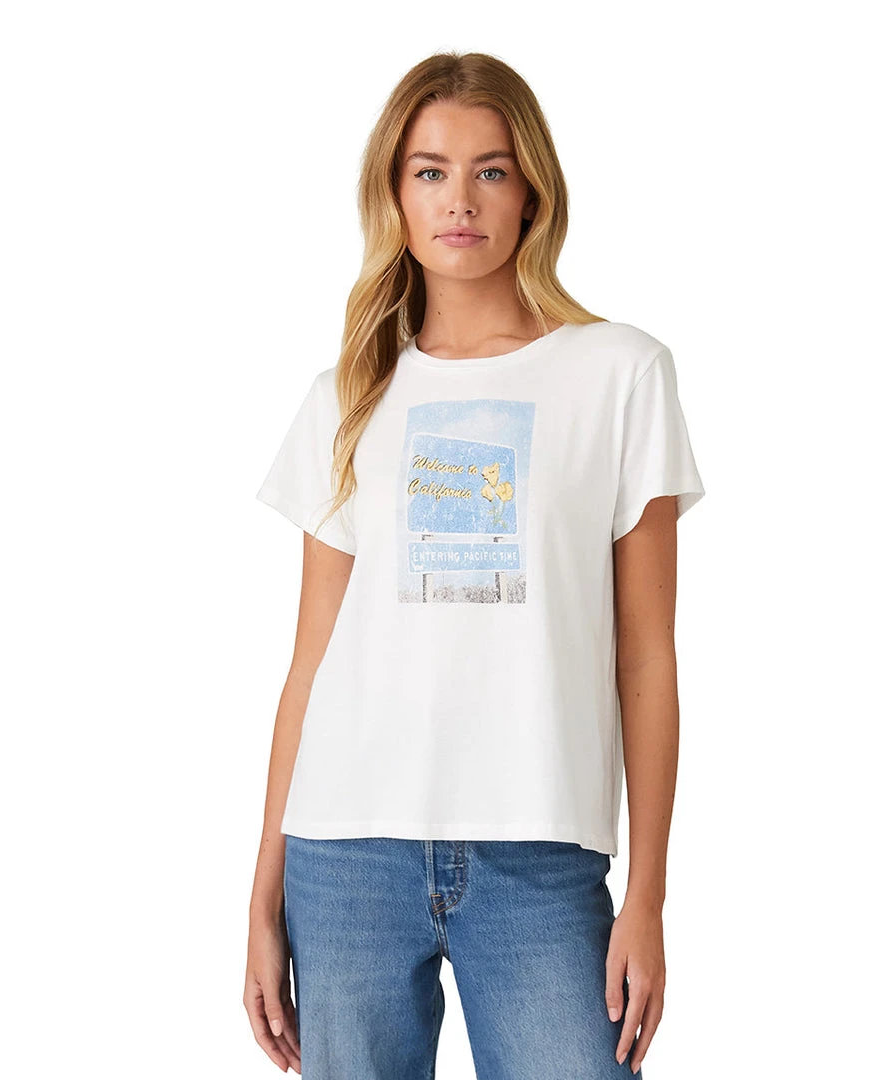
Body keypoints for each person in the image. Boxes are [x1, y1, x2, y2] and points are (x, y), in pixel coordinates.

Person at [244, 50, 705, 1079]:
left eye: (491, 170)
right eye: (431, 171)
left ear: (532, 192)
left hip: (540, 858)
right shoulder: (346, 394)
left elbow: (647, 658)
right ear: (395, 196)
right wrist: (262, 899)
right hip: (345, 856)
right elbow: (310, 662)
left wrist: (647, 898)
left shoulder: (620, 373)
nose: (460, 200)